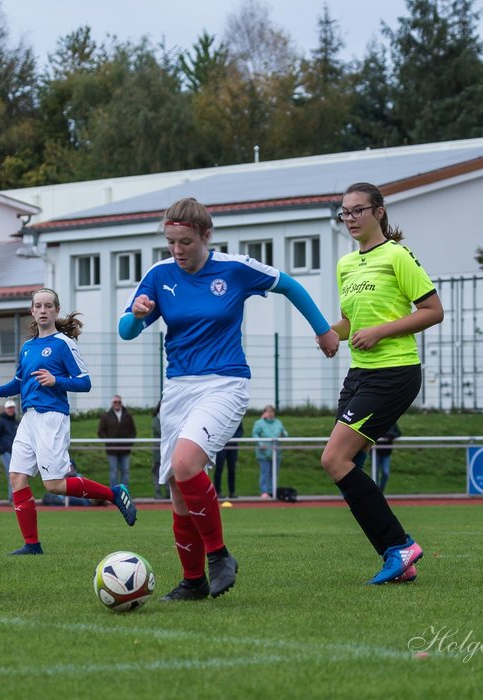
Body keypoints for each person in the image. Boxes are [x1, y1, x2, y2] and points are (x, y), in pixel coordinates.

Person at [119, 197, 339, 601]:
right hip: (178, 390)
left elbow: (289, 284)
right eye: (170, 242)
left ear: (206, 235)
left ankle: (220, 557)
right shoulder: (159, 274)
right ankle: (193, 581)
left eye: (184, 242)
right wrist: (135, 313)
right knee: (178, 491)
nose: (177, 251)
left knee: (185, 465)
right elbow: (126, 332)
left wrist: (324, 330)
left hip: (224, 383)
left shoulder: (235, 269)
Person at [319, 182, 444, 585]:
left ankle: (398, 545)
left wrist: (382, 332)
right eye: (345, 212)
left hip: (395, 371)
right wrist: (329, 332)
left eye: (357, 210)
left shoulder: (397, 255)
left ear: (379, 211)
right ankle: (401, 560)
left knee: (333, 460)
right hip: (360, 374)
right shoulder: (345, 265)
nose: (350, 219)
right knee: (343, 463)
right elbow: (352, 321)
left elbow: (433, 311)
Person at [0, 287, 137, 555]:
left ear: (56, 310)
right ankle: (32, 545)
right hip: (29, 419)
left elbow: (84, 382)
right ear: (32, 311)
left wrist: (57, 381)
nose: (43, 310)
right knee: (17, 477)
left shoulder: (64, 344)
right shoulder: (28, 347)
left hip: (52, 418)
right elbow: (19, 383)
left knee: (53, 484)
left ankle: (114, 494)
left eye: (48, 305)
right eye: (38, 306)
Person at [97, 394, 137, 490]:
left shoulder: (128, 415)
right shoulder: (106, 416)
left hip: (125, 449)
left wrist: (129, 444)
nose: (117, 404)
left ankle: (125, 493)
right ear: (112, 403)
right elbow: (101, 432)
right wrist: (109, 442)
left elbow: (133, 431)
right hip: (112, 450)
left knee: (125, 471)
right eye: (115, 402)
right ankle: (114, 494)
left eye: (119, 402)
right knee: (113, 471)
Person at [252, 404, 287, 499]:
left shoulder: (278, 423)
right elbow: (255, 434)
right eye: (268, 411)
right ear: (264, 413)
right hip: (264, 453)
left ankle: (272, 491)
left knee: (274, 473)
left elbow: (285, 433)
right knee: (265, 472)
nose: (270, 414)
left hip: (276, 452)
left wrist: (282, 435)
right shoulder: (259, 423)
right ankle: (264, 491)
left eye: (271, 411)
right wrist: (260, 444)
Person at [0, 400, 19, 502]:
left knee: (17, 475)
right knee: (12, 475)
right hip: (6, 452)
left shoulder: (16, 422)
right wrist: (1, 450)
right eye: (9, 408)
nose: (11, 410)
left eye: (12, 408)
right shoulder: (0, 421)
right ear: (5, 409)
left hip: (16, 453)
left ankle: (15, 497)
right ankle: (13, 498)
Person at [212, 423, 242, 500]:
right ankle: (217, 491)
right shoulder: (220, 417)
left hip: (233, 446)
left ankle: (232, 492)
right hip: (220, 446)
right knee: (219, 468)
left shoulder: (236, 417)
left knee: (232, 469)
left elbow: (240, 431)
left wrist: (231, 440)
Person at [374, 423, 402, 490]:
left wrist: (390, 436)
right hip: (375, 452)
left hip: (386, 452)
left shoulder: (392, 422)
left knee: (385, 472)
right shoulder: (376, 420)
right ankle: (375, 489)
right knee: (375, 472)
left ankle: (380, 490)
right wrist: (387, 435)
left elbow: (398, 433)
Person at [150, 400, 167, 499]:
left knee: (169, 472)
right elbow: (161, 431)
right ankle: (158, 493)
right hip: (158, 451)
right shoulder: (155, 420)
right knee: (157, 473)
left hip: (167, 451)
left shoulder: (170, 418)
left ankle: (169, 493)